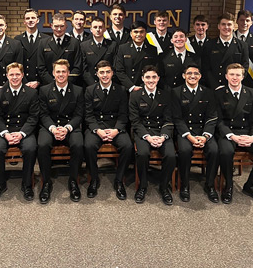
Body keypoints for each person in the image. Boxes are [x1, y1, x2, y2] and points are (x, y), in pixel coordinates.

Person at [215, 63, 253, 205]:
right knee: (226, 152)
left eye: (238, 75)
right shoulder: (218, 93)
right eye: (232, 74)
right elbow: (218, 120)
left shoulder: (252, 93)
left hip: (247, 132)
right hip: (228, 133)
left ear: (243, 76)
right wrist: (232, 136)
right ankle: (228, 185)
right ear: (226, 76)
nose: (234, 78)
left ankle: (251, 185)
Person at [0, 63, 39, 202]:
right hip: (5, 130)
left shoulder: (31, 93)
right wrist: (5, 133)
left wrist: (22, 133)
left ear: (23, 75)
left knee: (30, 148)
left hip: (24, 130)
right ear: (7, 76)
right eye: (11, 74)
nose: (15, 77)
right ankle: (0, 184)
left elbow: (33, 117)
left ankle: (27, 184)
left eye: (18, 74)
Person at [37, 59, 84, 204]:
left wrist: (67, 128)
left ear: (69, 73)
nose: (61, 74)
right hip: (50, 126)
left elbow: (79, 115)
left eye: (64, 71)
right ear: (53, 73)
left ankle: (73, 181)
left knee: (78, 144)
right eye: (58, 71)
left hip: (69, 126)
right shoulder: (44, 90)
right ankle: (46, 182)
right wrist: (53, 129)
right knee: (42, 144)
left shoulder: (78, 90)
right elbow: (43, 114)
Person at [84, 60, 132, 200]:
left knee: (127, 146)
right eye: (102, 72)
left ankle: (119, 180)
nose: (105, 75)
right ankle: (94, 179)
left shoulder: (121, 90)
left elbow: (124, 114)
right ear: (97, 74)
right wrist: (97, 130)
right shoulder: (90, 90)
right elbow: (88, 115)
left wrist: (116, 130)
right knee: (88, 146)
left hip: (115, 126)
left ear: (112, 73)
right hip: (97, 126)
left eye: (107, 72)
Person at [171, 64, 219, 203]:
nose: (192, 76)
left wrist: (205, 136)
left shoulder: (208, 92)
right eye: (189, 73)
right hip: (185, 131)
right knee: (185, 150)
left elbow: (212, 117)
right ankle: (184, 185)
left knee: (214, 150)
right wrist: (190, 137)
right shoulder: (176, 92)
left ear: (200, 76)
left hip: (203, 131)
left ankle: (210, 186)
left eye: (196, 73)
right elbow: (177, 118)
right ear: (183, 76)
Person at [129, 65, 175, 205]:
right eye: (147, 77)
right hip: (143, 132)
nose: (151, 80)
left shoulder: (165, 95)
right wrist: (148, 137)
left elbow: (169, 120)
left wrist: (163, 137)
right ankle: (142, 186)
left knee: (171, 155)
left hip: (161, 132)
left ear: (158, 78)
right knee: (142, 153)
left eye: (154, 77)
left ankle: (164, 186)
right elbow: (135, 121)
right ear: (142, 79)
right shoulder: (135, 95)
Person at [201, 12, 248, 90]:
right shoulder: (209, 45)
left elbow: (244, 68)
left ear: (234, 26)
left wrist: (233, 84)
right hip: (213, 88)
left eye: (229, 24)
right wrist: (215, 86)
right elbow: (205, 69)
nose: (226, 27)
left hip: (233, 88)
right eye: (223, 24)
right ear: (218, 26)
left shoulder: (242, 46)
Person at [37, 12, 82, 85]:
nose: (59, 29)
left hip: (69, 85)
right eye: (56, 26)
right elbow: (41, 68)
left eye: (62, 26)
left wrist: (65, 82)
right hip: (49, 85)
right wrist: (53, 83)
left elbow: (77, 67)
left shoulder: (74, 42)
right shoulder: (43, 43)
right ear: (51, 26)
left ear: (66, 26)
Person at [114, 21, 159, 93]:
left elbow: (154, 70)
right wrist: (131, 87)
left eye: (142, 32)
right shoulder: (123, 48)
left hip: (146, 88)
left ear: (145, 33)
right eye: (136, 32)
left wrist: (145, 86)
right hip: (127, 89)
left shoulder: (152, 49)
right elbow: (119, 71)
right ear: (131, 34)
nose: (139, 34)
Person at [14, 8, 50, 89]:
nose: (30, 20)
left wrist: (38, 81)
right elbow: (17, 63)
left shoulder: (46, 39)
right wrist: (24, 82)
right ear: (24, 22)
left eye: (33, 18)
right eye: (27, 18)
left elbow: (48, 63)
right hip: (23, 83)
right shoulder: (17, 40)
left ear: (38, 20)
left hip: (42, 84)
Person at [80, 16, 118, 86]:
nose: (98, 30)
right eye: (95, 27)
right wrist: (93, 84)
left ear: (104, 29)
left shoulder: (112, 45)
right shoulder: (84, 46)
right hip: (90, 85)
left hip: (108, 83)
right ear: (91, 29)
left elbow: (115, 66)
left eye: (100, 27)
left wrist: (106, 81)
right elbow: (84, 69)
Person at [235, 10, 253, 89]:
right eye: (242, 20)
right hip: (231, 76)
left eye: (247, 20)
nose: (244, 23)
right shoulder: (230, 37)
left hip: (248, 77)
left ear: (251, 23)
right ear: (237, 21)